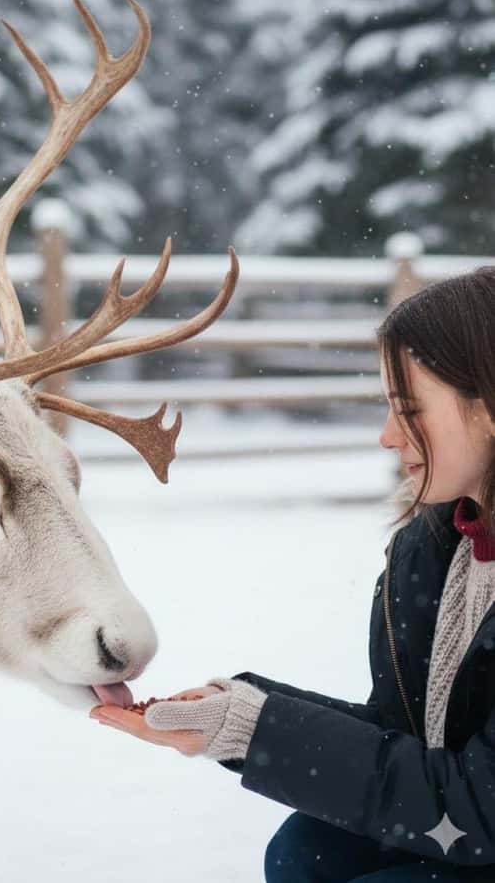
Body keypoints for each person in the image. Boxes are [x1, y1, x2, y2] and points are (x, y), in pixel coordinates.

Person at [89, 267, 495, 882]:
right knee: (306, 853)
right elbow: (410, 733)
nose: (387, 437)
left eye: (408, 409)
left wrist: (258, 730)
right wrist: (238, 718)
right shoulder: (438, 550)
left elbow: (476, 805)